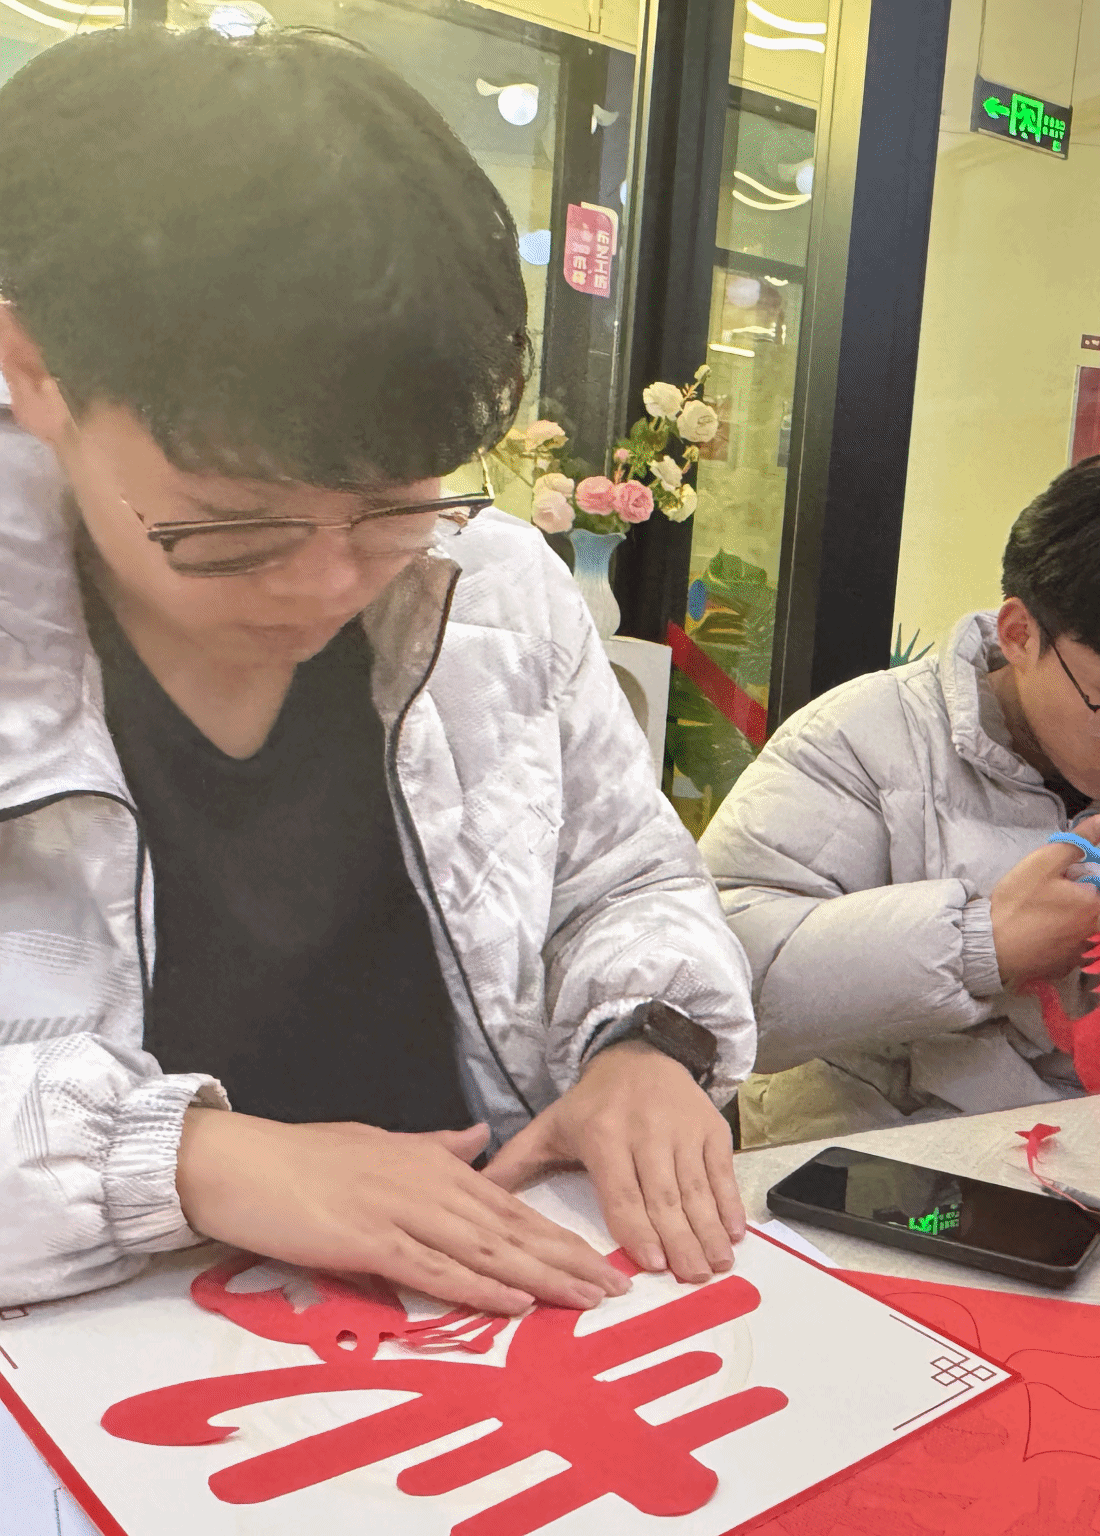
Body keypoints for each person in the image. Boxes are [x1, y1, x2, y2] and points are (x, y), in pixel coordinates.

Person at [0, 26, 757, 1313]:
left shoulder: (492, 591)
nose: (326, 582)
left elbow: (624, 882)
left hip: (481, 1321)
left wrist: (647, 1043)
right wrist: (185, 1161)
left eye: (393, 504)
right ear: (34, 371)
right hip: (98, 1350)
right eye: (235, 526)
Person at [701, 454, 1100, 1145]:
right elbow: (720, 982)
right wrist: (979, 946)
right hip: (883, 1156)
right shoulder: (860, 740)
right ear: (1019, 634)